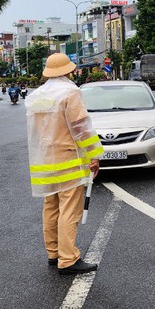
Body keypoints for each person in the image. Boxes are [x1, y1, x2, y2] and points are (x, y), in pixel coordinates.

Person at [26, 53, 104, 275]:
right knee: (70, 209)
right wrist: (94, 155)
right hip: (67, 158)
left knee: (51, 207)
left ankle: (53, 253)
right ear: (68, 71)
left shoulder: (36, 96)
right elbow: (81, 128)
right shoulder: (70, 92)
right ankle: (68, 259)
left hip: (43, 161)